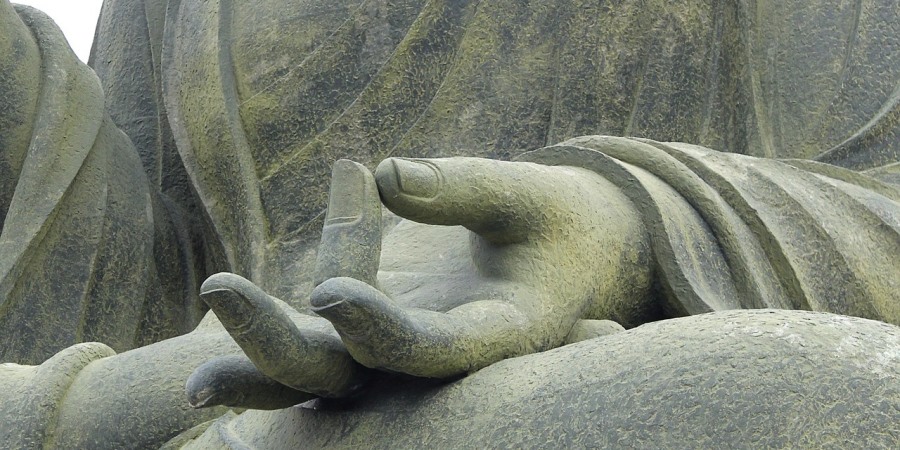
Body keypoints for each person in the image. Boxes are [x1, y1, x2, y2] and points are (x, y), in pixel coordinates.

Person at [0, 0, 898, 447]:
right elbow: (161, 283)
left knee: (824, 397)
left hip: (571, 365)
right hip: (235, 397)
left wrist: (624, 220)